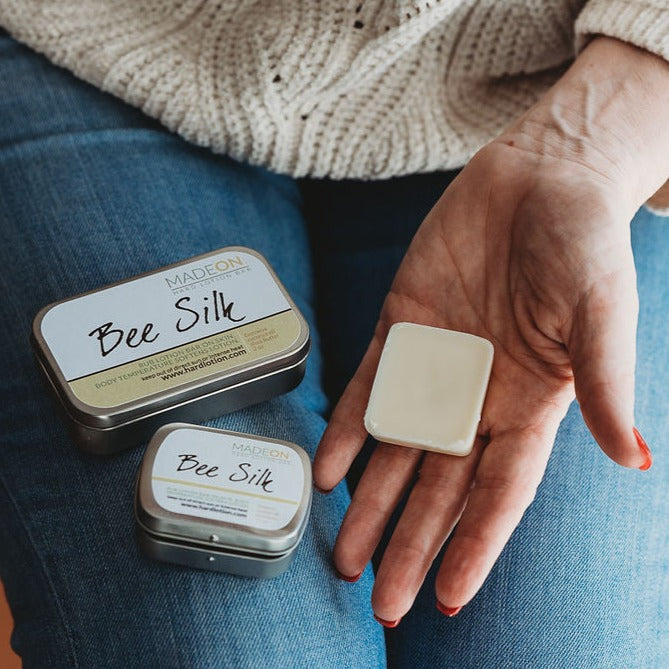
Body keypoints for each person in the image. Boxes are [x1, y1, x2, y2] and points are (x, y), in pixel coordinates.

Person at [0, 2, 667, 667]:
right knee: (222, 646)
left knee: (561, 650)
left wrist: (592, 139)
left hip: (566, 82)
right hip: (102, 41)